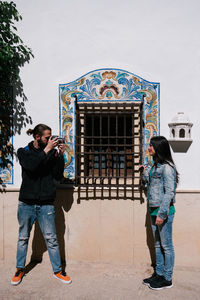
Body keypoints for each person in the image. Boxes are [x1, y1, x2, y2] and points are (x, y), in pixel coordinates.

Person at [11, 124, 71, 285]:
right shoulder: (24, 152)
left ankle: (58, 271)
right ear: (37, 137)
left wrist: (59, 156)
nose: (50, 139)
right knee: (23, 238)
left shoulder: (51, 153)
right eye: (47, 137)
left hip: (46, 204)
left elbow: (57, 175)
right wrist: (47, 151)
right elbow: (31, 166)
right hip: (26, 203)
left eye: (51, 136)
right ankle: (19, 269)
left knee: (51, 239)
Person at [140, 136, 178, 290]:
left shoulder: (168, 167)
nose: (148, 148)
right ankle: (159, 273)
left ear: (159, 148)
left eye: (151, 145)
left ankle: (167, 278)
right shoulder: (155, 166)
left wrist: (162, 215)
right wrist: (144, 173)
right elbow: (149, 185)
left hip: (164, 211)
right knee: (157, 245)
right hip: (153, 209)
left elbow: (169, 193)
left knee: (166, 246)